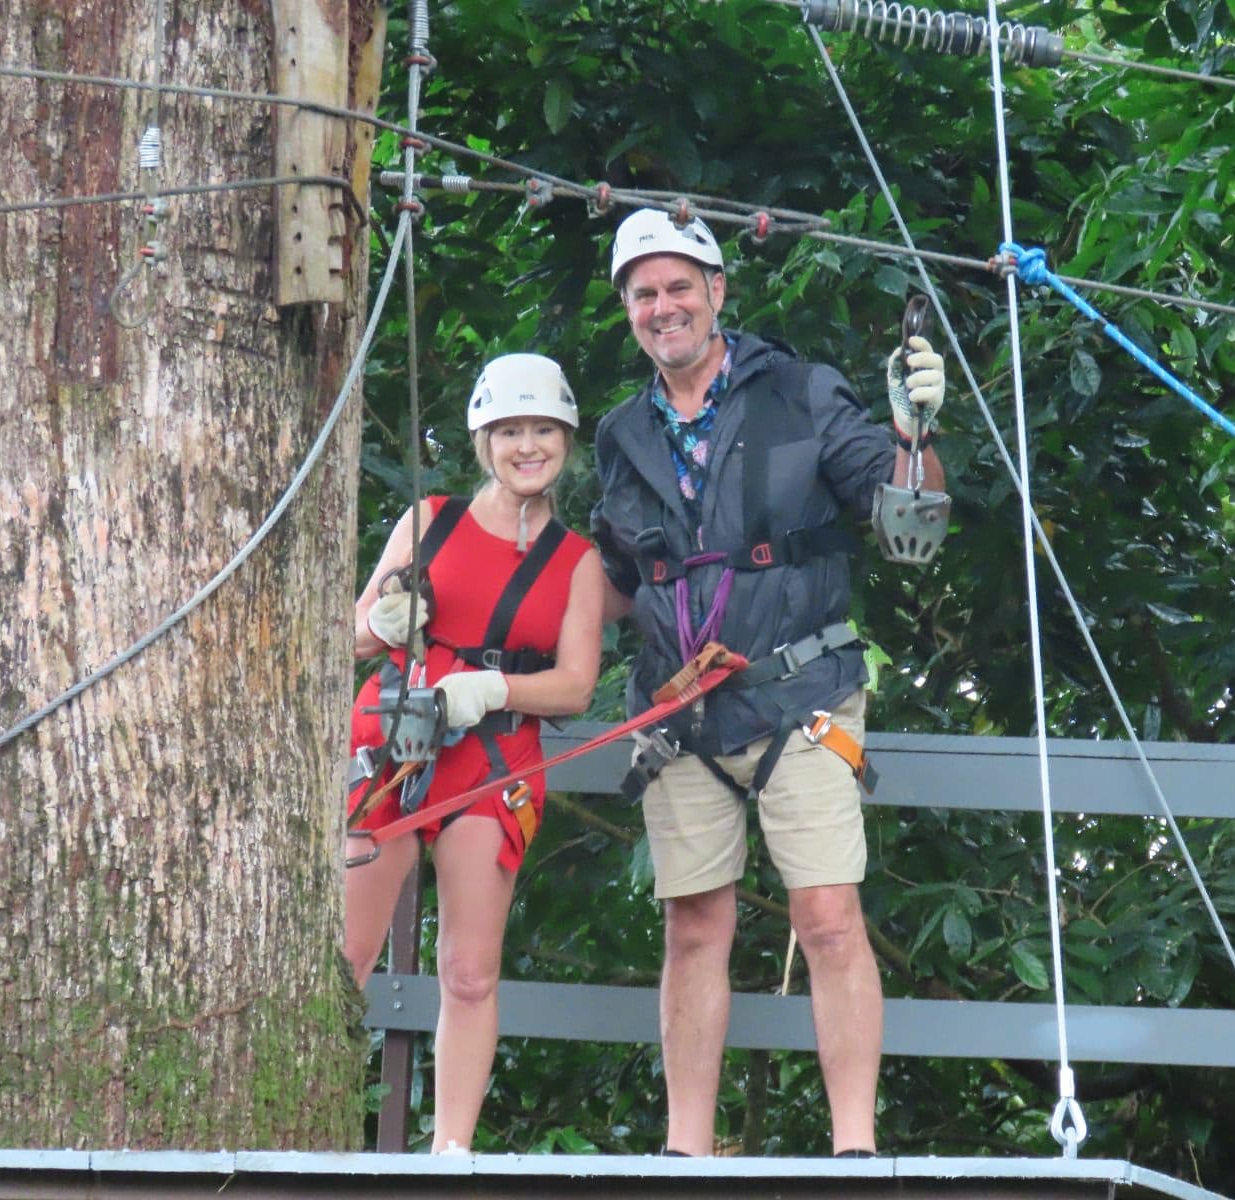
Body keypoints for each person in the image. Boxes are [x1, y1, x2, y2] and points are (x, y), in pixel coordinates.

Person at [590, 208, 946, 1157]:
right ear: (628, 311)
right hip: (678, 707)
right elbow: (614, 582)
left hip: (803, 691)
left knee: (827, 915)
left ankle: (855, 1148)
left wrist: (914, 434)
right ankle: (685, 1152)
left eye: (678, 288)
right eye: (643, 294)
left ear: (717, 292)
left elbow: (906, 516)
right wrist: (475, 624)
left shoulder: (800, 391)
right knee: (694, 925)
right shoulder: (623, 433)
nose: (663, 308)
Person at [344, 353, 606, 1154]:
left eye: (543, 431)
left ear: (565, 439)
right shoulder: (430, 521)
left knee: (468, 971)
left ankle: (448, 1151)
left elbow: (575, 686)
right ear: (484, 439)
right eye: (511, 432)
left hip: (491, 759)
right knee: (344, 958)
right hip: (394, 735)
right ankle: (314, 1127)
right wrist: (386, 626)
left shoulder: (577, 562)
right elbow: (354, 636)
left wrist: (494, 692)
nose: (528, 447)